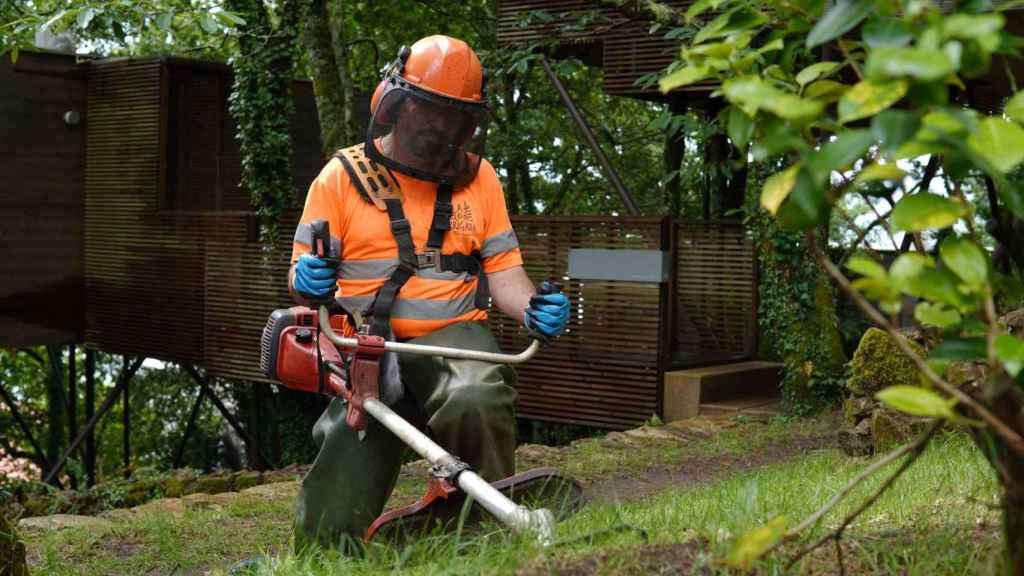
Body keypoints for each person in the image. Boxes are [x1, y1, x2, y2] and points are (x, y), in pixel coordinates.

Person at [288, 34, 570, 552]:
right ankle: (328, 549)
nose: (442, 128)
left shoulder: (480, 179)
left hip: (455, 338)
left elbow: (504, 270)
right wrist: (307, 280)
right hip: (368, 348)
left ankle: (490, 533)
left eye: (456, 118)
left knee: (476, 396)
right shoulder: (339, 178)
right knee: (330, 525)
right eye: (431, 112)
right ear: (395, 104)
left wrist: (532, 307)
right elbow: (300, 272)